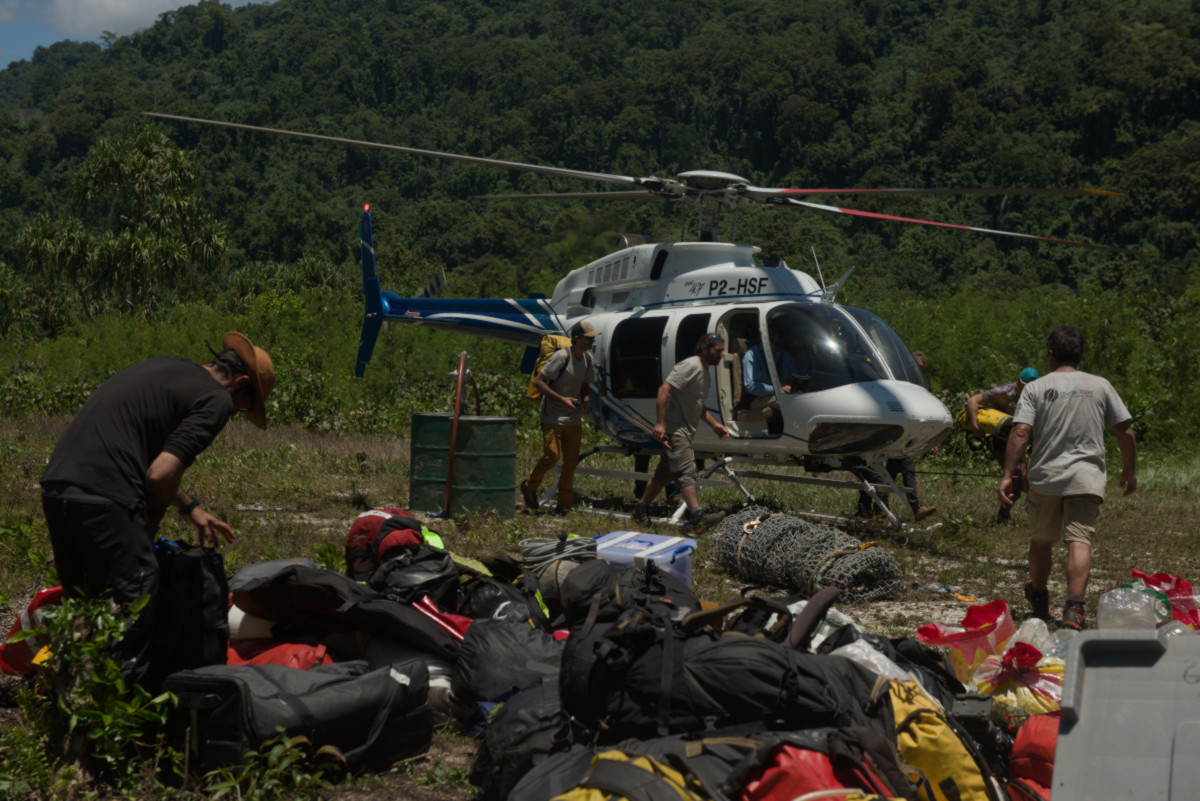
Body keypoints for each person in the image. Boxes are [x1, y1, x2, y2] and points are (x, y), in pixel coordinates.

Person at [40, 332, 274, 683]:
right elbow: (160, 473)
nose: (236, 412)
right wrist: (149, 524)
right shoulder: (217, 399)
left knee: (85, 608)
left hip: (59, 487)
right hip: (107, 494)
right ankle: (122, 720)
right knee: (135, 594)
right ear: (240, 382)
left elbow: (143, 452)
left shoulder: (170, 368)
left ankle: (72, 708)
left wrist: (190, 506)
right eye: (243, 406)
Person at [998, 326, 1136, 631]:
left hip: (1046, 477)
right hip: (1086, 478)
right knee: (1079, 540)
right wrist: (1129, 470)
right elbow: (1124, 431)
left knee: (1042, 540)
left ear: (1050, 355)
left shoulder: (1035, 389)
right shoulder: (1100, 385)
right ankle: (1074, 611)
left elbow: (1020, 431)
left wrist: (1008, 474)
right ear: (1080, 355)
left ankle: (1039, 600)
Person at [632, 333, 730, 531]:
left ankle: (640, 510)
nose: (721, 354)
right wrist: (660, 423)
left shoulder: (706, 373)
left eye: (722, 350)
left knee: (663, 476)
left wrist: (715, 425)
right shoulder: (690, 366)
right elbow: (664, 390)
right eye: (717, 350)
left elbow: (698, 406)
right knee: (687, 471)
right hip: (676, 430)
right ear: (704, 349)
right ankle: (697, 517)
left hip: (685, 430)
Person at [520, 321, 597, 514]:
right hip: (552, 416)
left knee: (571, 462)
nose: (592, 341)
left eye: (593, 338)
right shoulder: (561, 357)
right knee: (552, 457)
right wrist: (562, 400)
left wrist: (585, 401)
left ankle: (564, 504)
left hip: (573, 418)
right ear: (577, 338)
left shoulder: (588, 359)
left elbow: (586, 385)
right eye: (588, 338)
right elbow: (539, 382)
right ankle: (529, 486)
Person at [966, 365, 1040, 522]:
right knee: (1016, 473)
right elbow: (973, 400)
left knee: (1020, 479)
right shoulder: (1003, 391)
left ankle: (1004, 511)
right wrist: (974, 425)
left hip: (1018, 441)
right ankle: (1004, 514)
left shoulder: (1035, 398)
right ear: (1018, 383)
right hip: (999, 440)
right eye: (1026, 387)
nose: (1028, 391)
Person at [741, 328, 796, 434]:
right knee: (786, 403)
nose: (775, 349)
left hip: (780, 394)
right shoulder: (751, 356)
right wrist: (777, 390)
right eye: (778, 335)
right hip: (757, 398)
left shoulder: (784, 355)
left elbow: (793, 377)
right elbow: (751, 386)